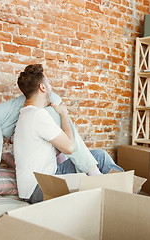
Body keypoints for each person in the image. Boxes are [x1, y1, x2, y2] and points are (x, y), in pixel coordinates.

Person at [14, 64, 123, 203]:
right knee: (94, 168)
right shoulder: (38, 115)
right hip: (39, 188)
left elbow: (55, 151)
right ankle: (124, 191)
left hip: (40, 182)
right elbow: (69, 147)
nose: (50, 87)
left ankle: (123, 188)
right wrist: (64, 114)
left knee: (99, 156)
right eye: (49, 83)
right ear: (42, 87)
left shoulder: (26, 114)